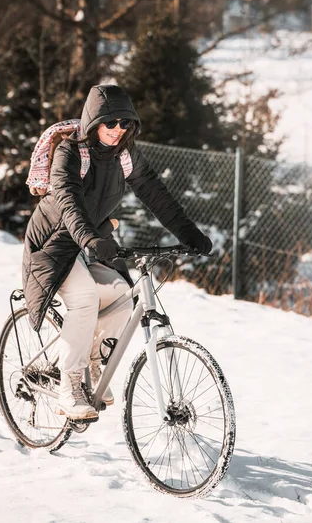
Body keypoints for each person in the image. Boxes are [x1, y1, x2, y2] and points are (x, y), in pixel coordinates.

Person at [22, 85, 212, 420]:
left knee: (122, 295)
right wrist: (90, 239)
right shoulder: (70, 153)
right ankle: (71, 385)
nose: (118, 130)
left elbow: (157, 195)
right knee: (84, 298)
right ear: (94, 121)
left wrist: (189, 234)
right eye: (111, 123)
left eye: (125, 124)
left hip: (89, 242)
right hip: (53, 244)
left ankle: (94, 363)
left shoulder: (125, 155)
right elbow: (68, 200)